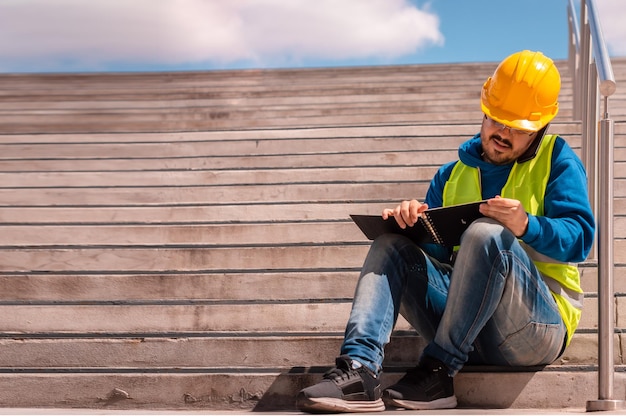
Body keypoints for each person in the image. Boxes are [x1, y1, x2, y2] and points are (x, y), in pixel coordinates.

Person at [296, 50, 595, 413]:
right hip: (467, 325)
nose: (502, 133)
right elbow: (436, 260)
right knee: (391, 244)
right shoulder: (450, 175)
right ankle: (360, 369)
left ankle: (438, 371)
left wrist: (526, 225)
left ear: (540, 127)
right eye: (497, 120)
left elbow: (581, 239)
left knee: (488, 234)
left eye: (518, 128)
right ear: (484, 111)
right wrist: (409, 228)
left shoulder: (558, 160)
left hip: (534, 329)